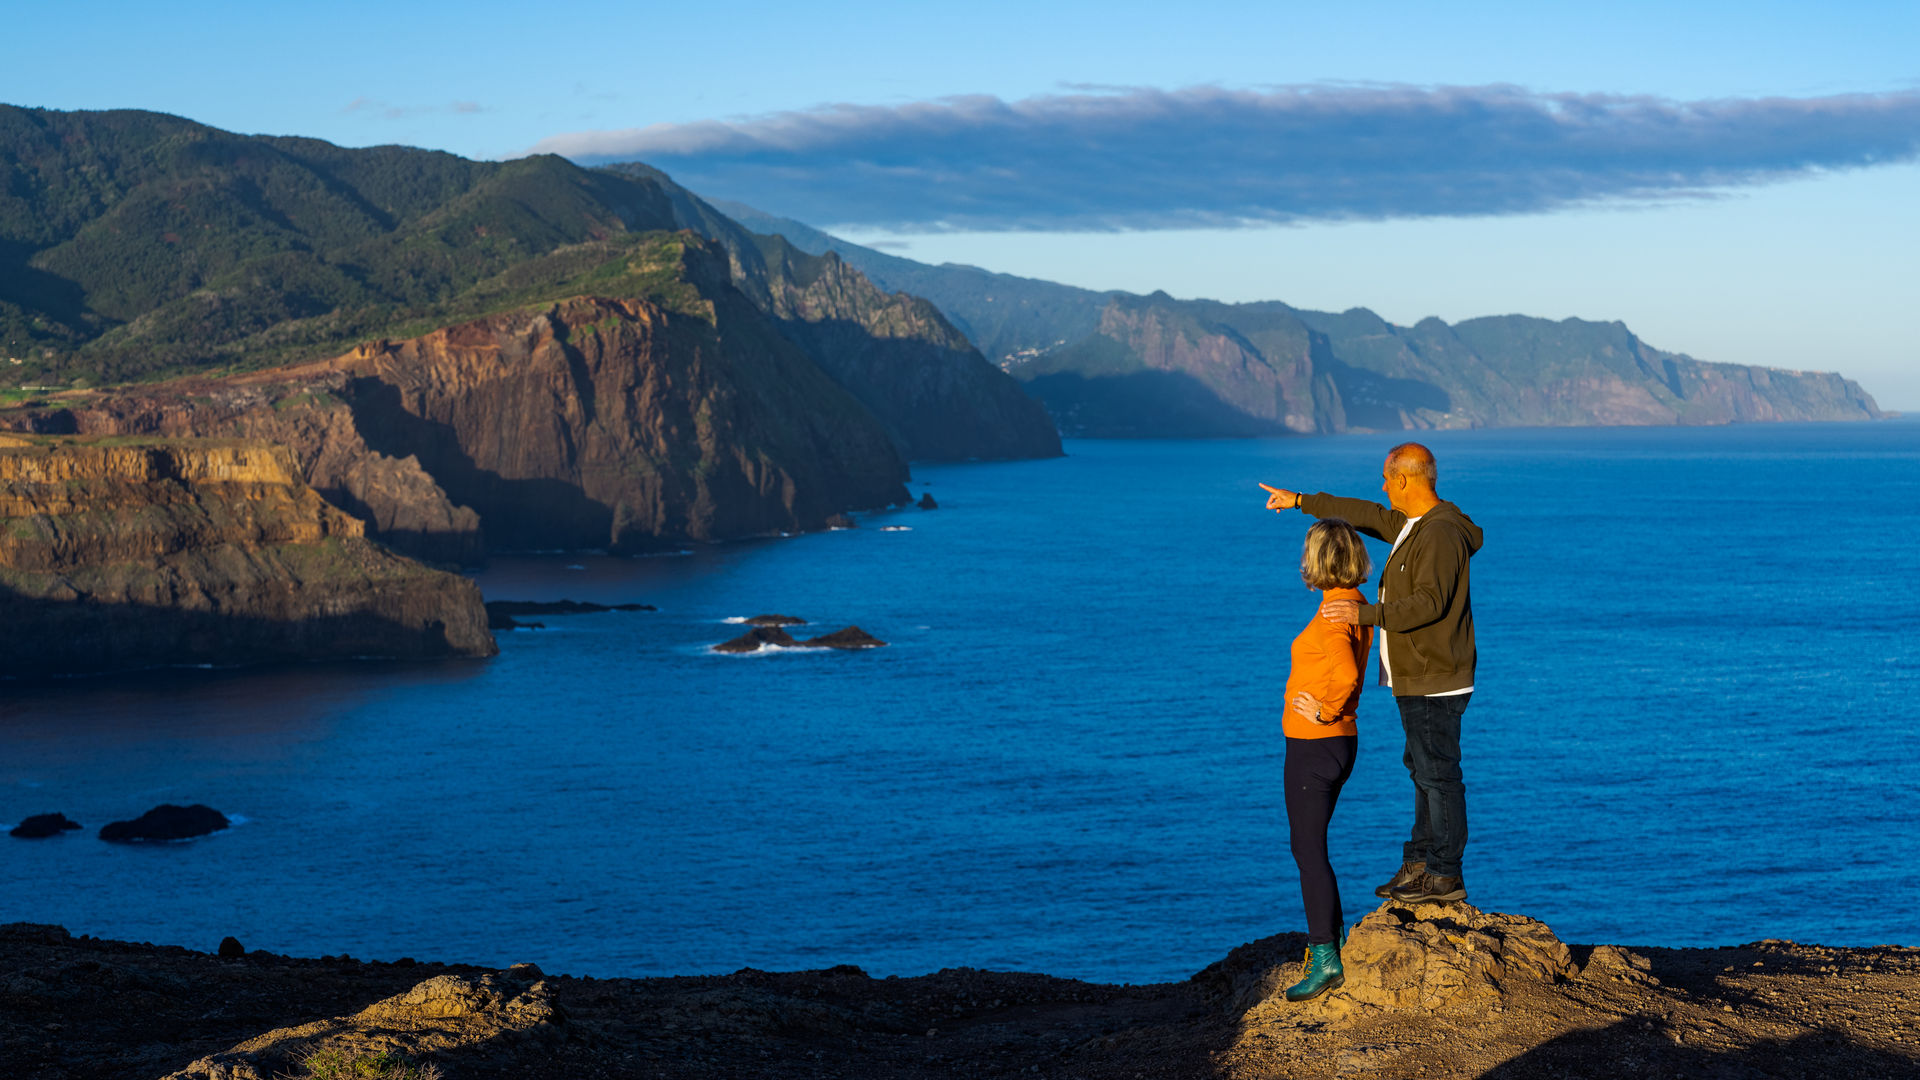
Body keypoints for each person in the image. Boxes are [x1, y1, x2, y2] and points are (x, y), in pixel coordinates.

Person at [1261, 442, 1483, 906]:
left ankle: (1444, 874)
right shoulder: (1413, 526)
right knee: (1423, 770)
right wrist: (1301, 501)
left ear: (1404, 478)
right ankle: (1421, 862)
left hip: (1434, 674)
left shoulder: (1439, 533)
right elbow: (1363, 513)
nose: (1382, 488)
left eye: (1386, 479)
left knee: (1439, 774)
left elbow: (1430, 603)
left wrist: (1362, 616)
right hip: (1419, 673)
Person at [1276, 518, 1375, 1002]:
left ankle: (1325, 957)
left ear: (1318, 559)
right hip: (1337, 742)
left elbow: (1344, 669)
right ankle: (1330, 940)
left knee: (1307, 851)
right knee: (1311, 848)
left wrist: (1325, 708)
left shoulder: (1336, 612)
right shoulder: (1354, 603)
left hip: (1316, 743)